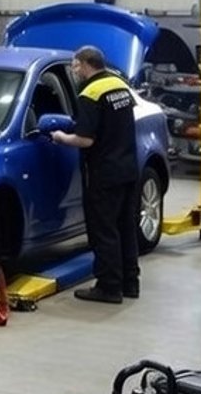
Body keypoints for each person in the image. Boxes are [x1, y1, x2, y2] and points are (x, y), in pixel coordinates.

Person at [51, 45, 141, 303]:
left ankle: (109, 287)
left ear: (85, 63)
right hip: (127, 168)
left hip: (104, 172)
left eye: (75, 65)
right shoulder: (119, 84)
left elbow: (85, 140)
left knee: (104, 230)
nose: (74, 70)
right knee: (125, 227)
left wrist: (60, 137)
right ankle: (130, 283)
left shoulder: (90, 93)